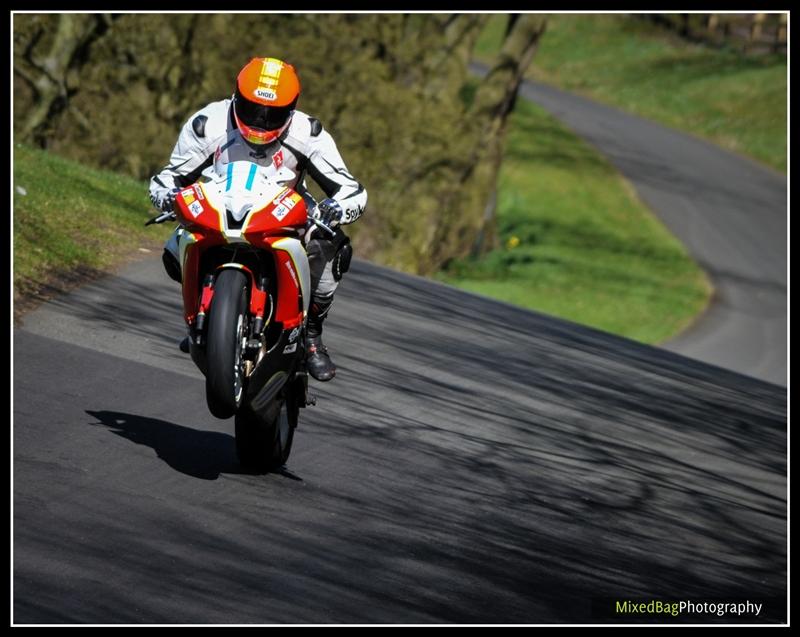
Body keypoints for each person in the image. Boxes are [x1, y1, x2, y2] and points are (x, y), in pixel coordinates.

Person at [149, 57, 367, 382]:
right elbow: (169, 177)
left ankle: (310, 335)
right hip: (219, 204)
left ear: (291, 110)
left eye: (273, 114)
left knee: (330, 246)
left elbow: (352, 190)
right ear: (236, 97)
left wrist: (335, 208)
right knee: (172, 251)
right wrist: (166, 195)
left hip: (284, 211)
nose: (262, 122)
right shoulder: (207, 124)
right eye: (253, 109)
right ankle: (207, 322)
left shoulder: (310, 133)